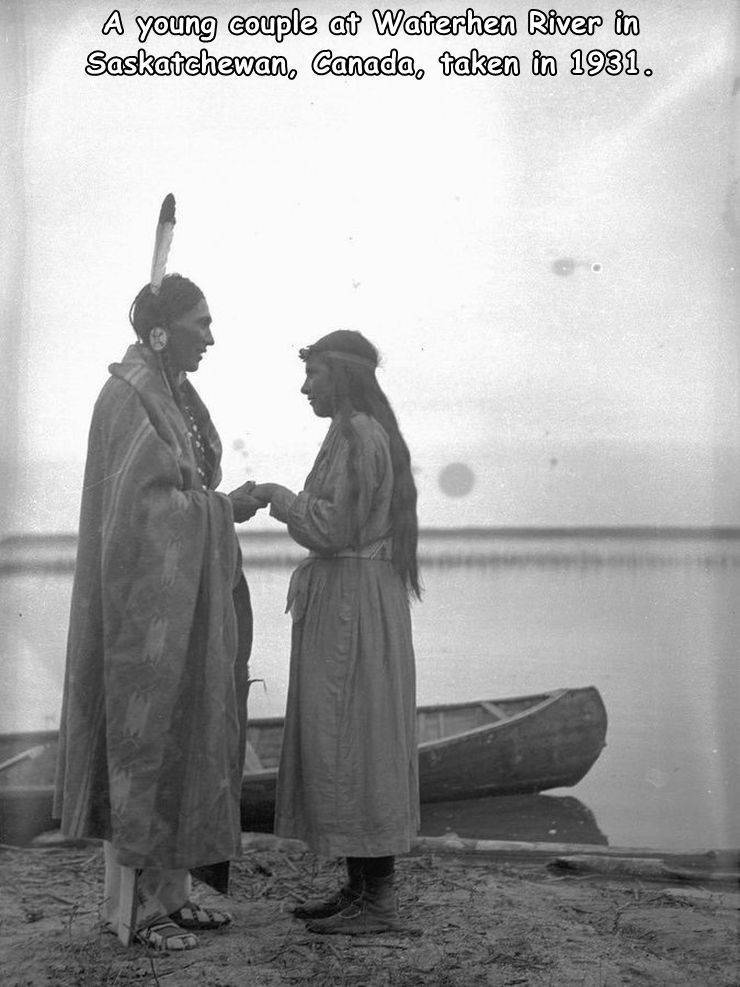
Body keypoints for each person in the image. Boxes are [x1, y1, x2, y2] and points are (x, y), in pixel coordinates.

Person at [54, 200, 262, 951]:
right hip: (141, 614)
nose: (213, 335)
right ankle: (128, 912)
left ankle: (169, 894)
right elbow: (143, 511)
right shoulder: (131, 397)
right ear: (163, 331)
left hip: (178, 611)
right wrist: (221, 508)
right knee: (142, 748)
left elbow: (182, 487)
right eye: (202, 323)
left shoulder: (168, 395)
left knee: (181, 743)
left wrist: (210, 507)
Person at [251, 329, 421, 935]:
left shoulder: (357, 434)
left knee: (358, 742)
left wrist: (276, 495)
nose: (304, 386)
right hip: (354, 604)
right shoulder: (356, 432)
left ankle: (378, 903)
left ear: (341, 376)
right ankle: (360, 890)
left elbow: (331, 528)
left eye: (314, 373)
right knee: (350, 740)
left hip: (353, 608)